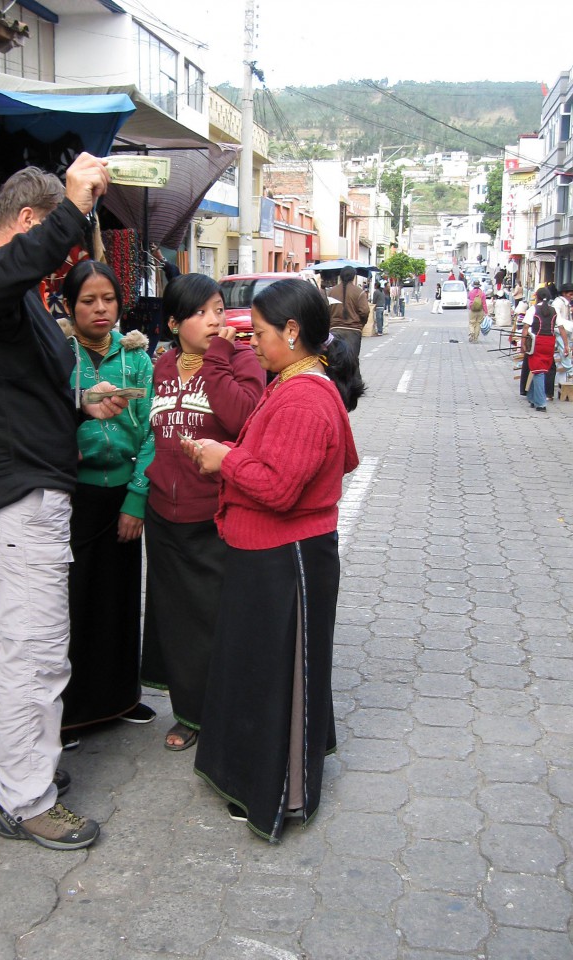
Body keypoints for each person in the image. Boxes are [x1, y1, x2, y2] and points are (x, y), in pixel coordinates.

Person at [0, 155, 128, 851]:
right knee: (39, 653)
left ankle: (3, 767)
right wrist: (76, 208)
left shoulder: (6, 298)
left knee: (16, 646)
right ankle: (28, 797)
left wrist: (81, 402)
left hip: (22, 489)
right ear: (28, 223)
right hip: (20, 498)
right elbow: (10, 268)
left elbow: (15, 390)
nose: (62, 256)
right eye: (54, 236)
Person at [181, 278, 361, 842]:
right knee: (259, 668)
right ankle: (256, 774)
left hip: (289, 558)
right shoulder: (297, 383)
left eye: (258, 333)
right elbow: (339, 459)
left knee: (275, 674)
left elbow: (281, 490)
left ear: (292, 331)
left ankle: (278, 790)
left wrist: (224, 460)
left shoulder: (306, 395)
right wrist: (239, 457)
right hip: (267, 552)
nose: (251, 342)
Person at [141, 273, 266, 751]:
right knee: (175, 620)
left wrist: (217, 359)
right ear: (174, 323)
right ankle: (189, 713)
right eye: (201, 312)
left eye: (218, 308)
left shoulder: (244, 360)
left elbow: (241, 419)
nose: (215, 319)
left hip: (214, 516)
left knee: (216, 619)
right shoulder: (162, 366)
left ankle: (224, 708)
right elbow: (150, 436)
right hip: (163, 515)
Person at [59, 260, 156, 749]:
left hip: (122, 498)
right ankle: (72, 713)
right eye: (88, 301)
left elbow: (154, 432)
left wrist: (136, 500)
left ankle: (119, 698)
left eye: (109, 300)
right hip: (72, 500)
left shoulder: (136, 357)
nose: (100, 310)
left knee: (120, 599)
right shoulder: (56, 354)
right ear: (68, 306)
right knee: (74, 604)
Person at [523, 288, 564, 411]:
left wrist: (523, 344)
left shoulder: (533, 309)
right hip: (550, 342)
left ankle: (541, 403)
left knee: (538, 371)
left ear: (537, 297)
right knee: (539, 369)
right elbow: (561, 328)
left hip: (537, 342)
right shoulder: (554, 310)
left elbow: (525, 327)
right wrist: (566, 346)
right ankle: (532, 397)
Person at [327, 265, 370, 356]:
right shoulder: (359, 292)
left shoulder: (331, 292)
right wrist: (361, 324)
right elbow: (365, 311)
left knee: (335, 361)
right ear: (354, 277)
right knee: (353, 361)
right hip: (353, 331)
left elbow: (326, 311)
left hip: (334, 330)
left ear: (340, 276)